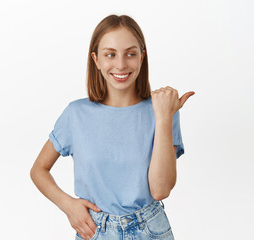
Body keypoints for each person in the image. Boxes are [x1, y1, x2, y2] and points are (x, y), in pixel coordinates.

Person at [30, 14, 195, 240]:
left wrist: (164, 118)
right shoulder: (76, 114)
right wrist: (68, 205)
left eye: (130, 54)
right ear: (96, 59)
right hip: (94, 230)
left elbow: (160, 190)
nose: (121, 64)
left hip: (150, 229)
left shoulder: (163, 111)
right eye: (110, 54)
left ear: (142, 58)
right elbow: (39, 169)